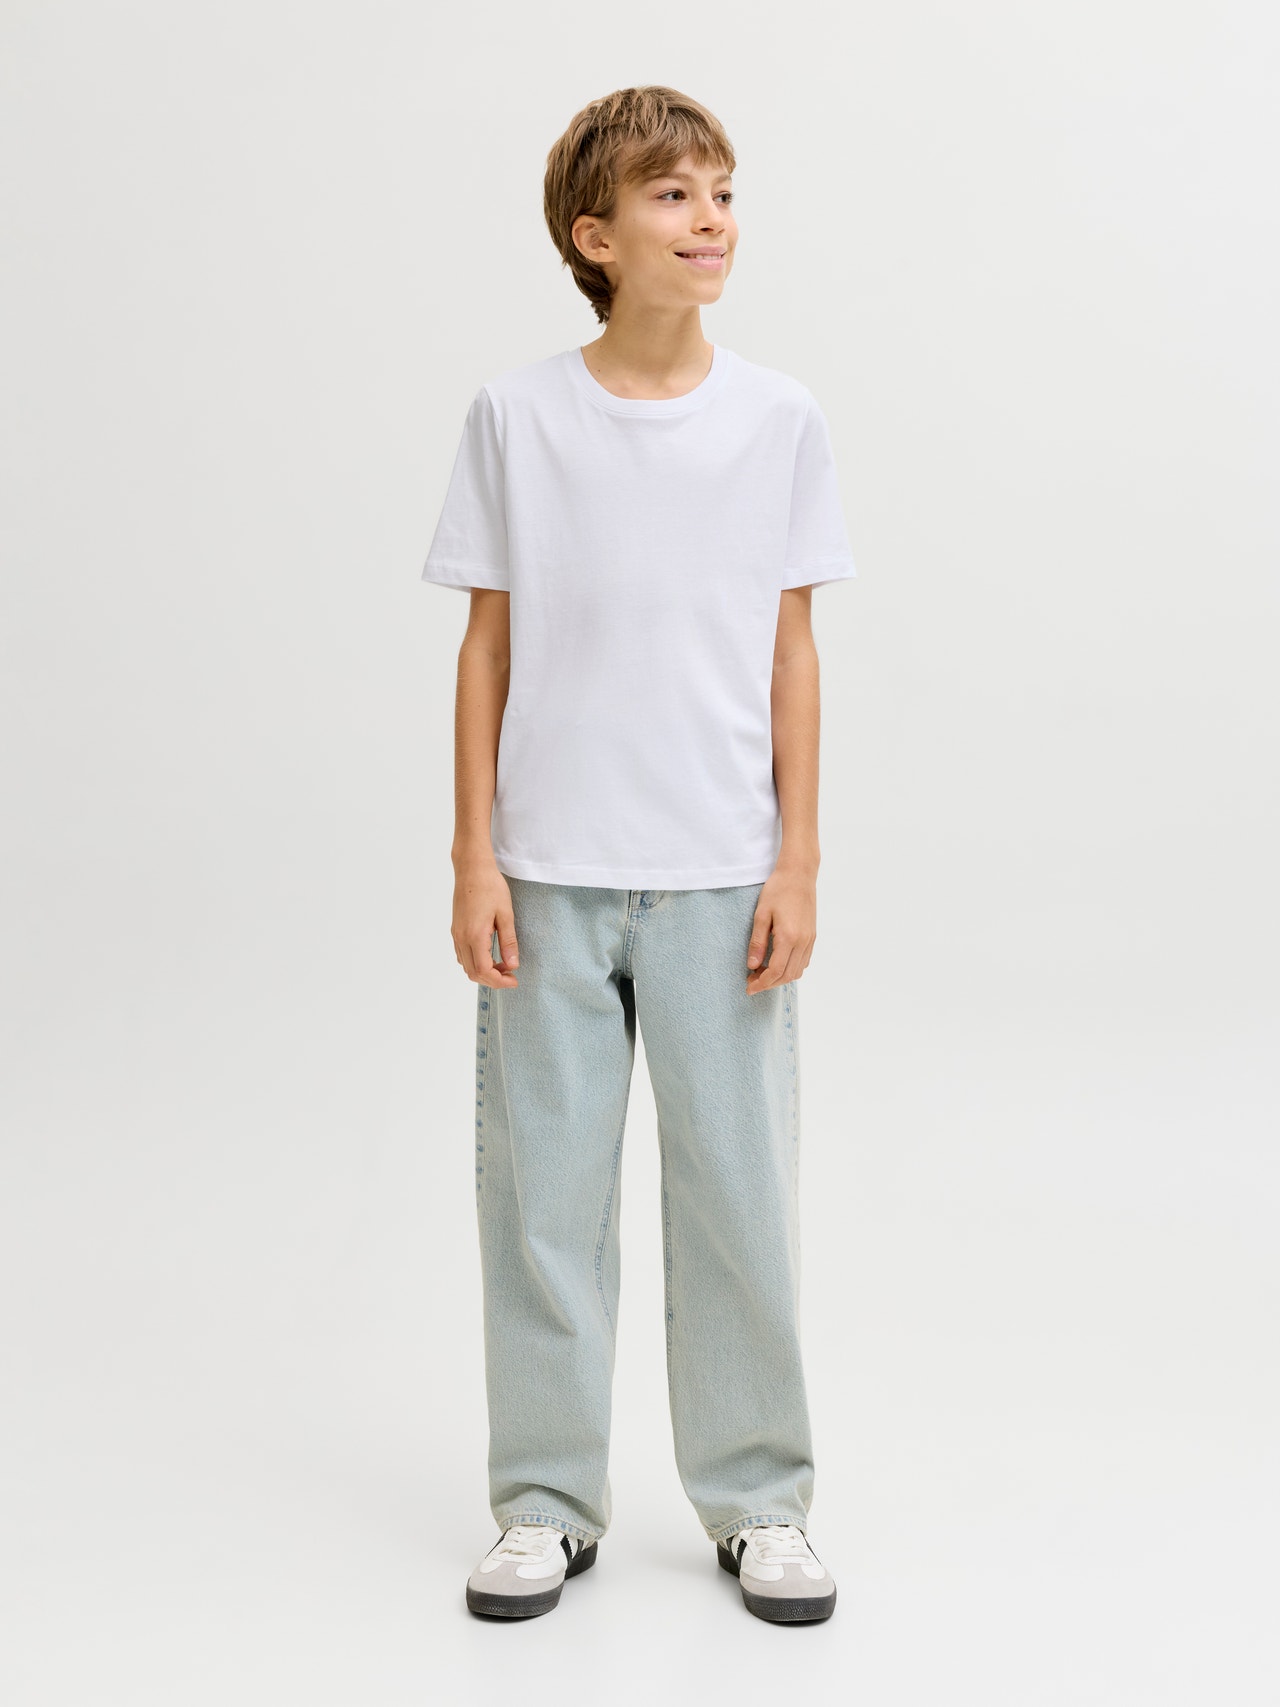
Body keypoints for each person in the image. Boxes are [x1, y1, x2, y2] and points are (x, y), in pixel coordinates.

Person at [420, 85, 856, 1624]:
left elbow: (792, 653)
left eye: (723, 191)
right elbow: (487, 648)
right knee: (543, 1202)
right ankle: (545, 1503)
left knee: (738, 1197)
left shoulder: (779, 420)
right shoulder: (518, 417)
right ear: (595, 238)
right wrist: (474, 856)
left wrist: (798, 862)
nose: (712, 218)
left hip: (722, 873)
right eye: (675, 196)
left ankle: (760, 1501)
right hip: (547, 874)